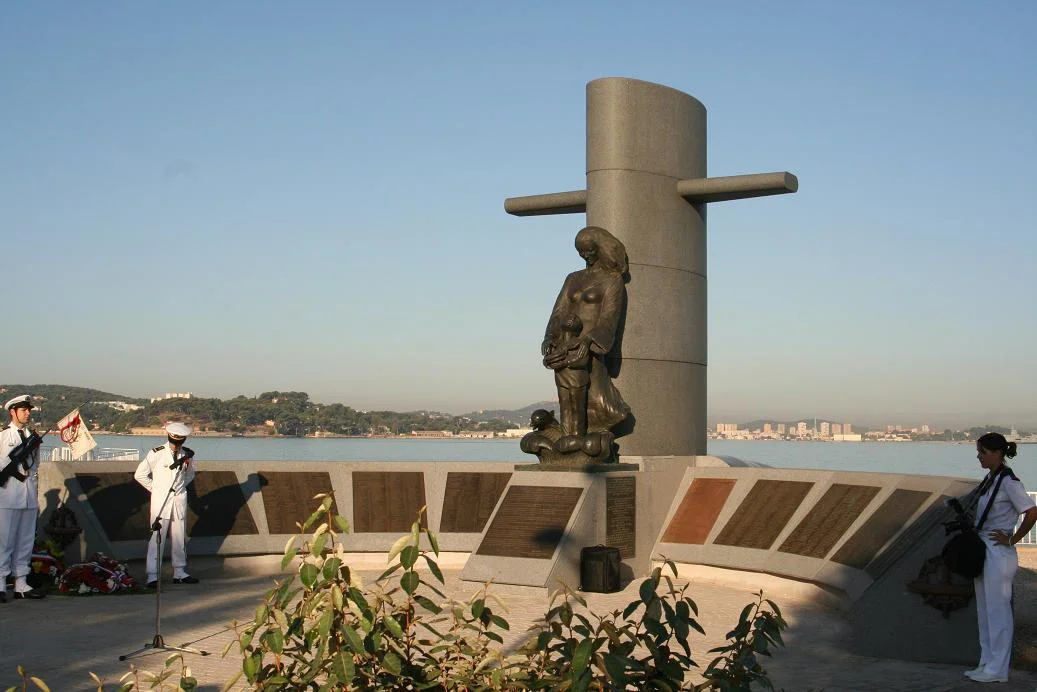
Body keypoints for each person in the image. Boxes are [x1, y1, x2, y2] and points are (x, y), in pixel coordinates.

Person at [960, 432, 1037, 683]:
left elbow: (1032, 512)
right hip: (984, 547)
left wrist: (1012, 540)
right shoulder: (991, 479)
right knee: (985, 610)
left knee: (998, 611)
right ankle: (987, 662)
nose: (978, 456)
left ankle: (998, 669)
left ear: (997, 453)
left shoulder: (1009, 482)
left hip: (998, 551)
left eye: (982, 452)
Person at [541, 226, 630, 440]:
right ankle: (569, 436)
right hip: (565, 345)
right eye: (581, 252)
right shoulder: (572, 278)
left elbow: (609, 319)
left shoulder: (612, 281)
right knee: (565, 394)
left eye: (589, 250)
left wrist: (589, 340)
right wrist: (549, 337)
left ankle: (583, 437)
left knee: (595, 398)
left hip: (589, 348)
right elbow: (559, 311)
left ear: (600, 248)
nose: (585, 256)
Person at [134, 422, 199, 587]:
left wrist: (180, 489)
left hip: (179, 500)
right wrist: (156, 489)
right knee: (157, 537)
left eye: (179, 441)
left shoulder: (187, 455)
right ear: (169, 437)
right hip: (161, 501)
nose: (176, 444)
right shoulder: (157, 453)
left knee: (179, 536)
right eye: (174, 440)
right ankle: (153, 575)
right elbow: (140, 475)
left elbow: (190, 475)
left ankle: (180, 571)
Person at [0, 395, 45, 601]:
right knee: (5, 541)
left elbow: (35, 465)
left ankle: (21, 583)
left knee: (25, 541)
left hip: (28, 493)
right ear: (13, 412)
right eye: (23, 410)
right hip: (8, 495)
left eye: (28, 410)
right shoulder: (3, 436)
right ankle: (1, 582)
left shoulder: (32, 438)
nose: (27, 413)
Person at [543, 313, 591, 436]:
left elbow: (582, 360)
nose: (572, 318)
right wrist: (551, 361)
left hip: (577, 380)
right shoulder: (555, 344)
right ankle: (566, 435)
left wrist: (565, 362)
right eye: (569, 317)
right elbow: (547, 361)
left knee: (577, 410)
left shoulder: (580, 343)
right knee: (564, 408)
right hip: (561, 379)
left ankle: (577, 436)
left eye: (575, 319)